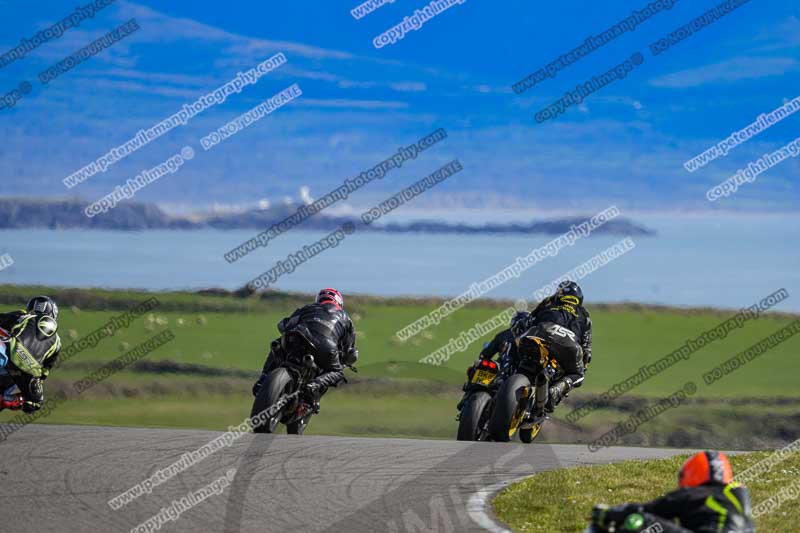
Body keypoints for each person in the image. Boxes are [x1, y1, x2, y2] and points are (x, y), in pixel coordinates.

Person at [590, 451, 755, 532]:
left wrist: (611, 513)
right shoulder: (739, 494)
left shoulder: (694, 494)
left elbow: (648, 510)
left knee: (640, 520)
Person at [252, 288, 358, 409]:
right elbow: (349, 349)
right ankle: (314, 385)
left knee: (277, 344)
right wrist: (345, 359)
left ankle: (263, 378)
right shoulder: (346, 318)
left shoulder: (307, 308)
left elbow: (284, 325)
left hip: (298, 337)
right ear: (339, 302)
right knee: (338, 372)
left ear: (319, 299)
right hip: (325, 347)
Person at [522, 280, 592, 413]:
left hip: (538, 333)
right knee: (578, 375)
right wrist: (584, 364)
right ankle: (557, 389)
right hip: (568, 342)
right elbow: (587, 349)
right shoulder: (584, 314)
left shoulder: (547, 303)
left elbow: (528, 322)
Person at [457, 311, 530, 411]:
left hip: (502, 368)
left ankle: (466, 397)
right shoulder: (530, 338)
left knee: (480, 365)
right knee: (480, 367)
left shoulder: (503, 334)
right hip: (515, 372)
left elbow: (486, 353)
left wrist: (482, 360)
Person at [0, 296, 62, 413]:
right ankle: (10, 399)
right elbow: (44, 373)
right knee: (34, 402)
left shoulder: (23, 315)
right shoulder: (58, 344)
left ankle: (7, 398)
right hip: (28, 370)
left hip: (11, 351)